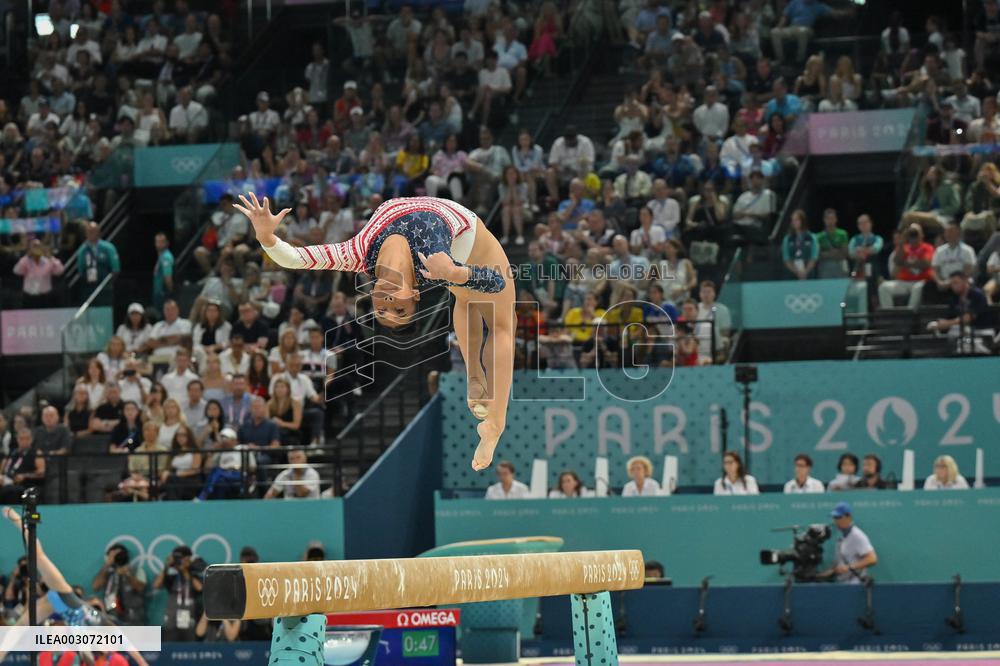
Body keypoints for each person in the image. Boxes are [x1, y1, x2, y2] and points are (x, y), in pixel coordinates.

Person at [236, 192, 515, 471]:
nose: (390, 306)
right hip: (467, 240)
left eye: (383, 312)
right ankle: (496, 423)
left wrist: (266, 238)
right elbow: (497, 282)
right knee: (501, 322)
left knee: (467, 299)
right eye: (400, 310)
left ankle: (476, 377)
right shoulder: (433, 259)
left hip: (444, 243)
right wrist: (454, 273)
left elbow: (295, 258)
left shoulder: (358, 253)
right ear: (415, 294)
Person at [0, 508, 149, 666]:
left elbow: (88, 656)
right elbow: (131, 649)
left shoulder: (86, 641)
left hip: (54, 606)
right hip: (64, 596)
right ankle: (17, 520)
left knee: (20, 626)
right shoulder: (104, 625)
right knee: (39, 558)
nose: (105, 649)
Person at [930, 272, 995, 353]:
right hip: (962, 333)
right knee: (953, 333)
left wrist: (947, 323)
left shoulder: (978, 295)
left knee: (961, 336)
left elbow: (968, 318)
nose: (953, 286)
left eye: (956, 283)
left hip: (982, 330)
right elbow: (950, 318)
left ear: (965, 281)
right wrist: (939, 324)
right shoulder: (954, 298)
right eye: (952, 284)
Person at [153, 545, 202, 642]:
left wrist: (185, 571)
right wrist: (166, 566)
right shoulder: (172, 577)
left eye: (183, 559)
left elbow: (199, 588)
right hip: (172, 622)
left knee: (189, 650)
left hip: (190, 621)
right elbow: (156, 585)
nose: (181, 561)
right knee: (170, 649)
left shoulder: (194, 575)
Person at [819, 502, 878, 584]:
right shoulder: (842, 537)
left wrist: (848, 567)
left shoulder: (857, 535)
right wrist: (829, 572)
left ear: (849, 517)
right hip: (843, 585)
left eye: (838, 517)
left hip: (854, 586)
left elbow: (872, 559)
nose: (835, 521)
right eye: (834, 517)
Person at [91, 543, 147, 626]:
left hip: (134, 620)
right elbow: (95, 586)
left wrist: (127, 574)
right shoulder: (107, 573)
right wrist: (107, 565)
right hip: (112, 618)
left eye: (119, 555)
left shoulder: (136, 571)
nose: (117, 558)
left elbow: (140, 588)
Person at [13, 239, 65, 308]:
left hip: (45, 297)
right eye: (34, 247)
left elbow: (60, 271)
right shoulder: (26, 261)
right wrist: (27, 256)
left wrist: (50, 257)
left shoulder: (48, 261)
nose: (36, 249)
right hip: (29, 297)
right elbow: (16, 271)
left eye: (38, 247)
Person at [75, 222, 121, 298]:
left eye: (93, 231)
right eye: (89, 231)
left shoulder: (108, 248)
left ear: (99, 232)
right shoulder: (82, 250)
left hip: (105, 287)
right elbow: (80, 270)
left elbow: (115, 269)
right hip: (89, 287)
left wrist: (107, 284)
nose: (91, 234)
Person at [782, 209, 818, 280]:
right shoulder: (787, 239)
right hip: (792, 272)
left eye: (796, 220)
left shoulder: (811, 237)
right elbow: (786, 258)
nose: (794, 223)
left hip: (809, 271)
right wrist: (796, 271)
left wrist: (806, 271)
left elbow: (814, 257)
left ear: (802, 221)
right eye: (792, 220)